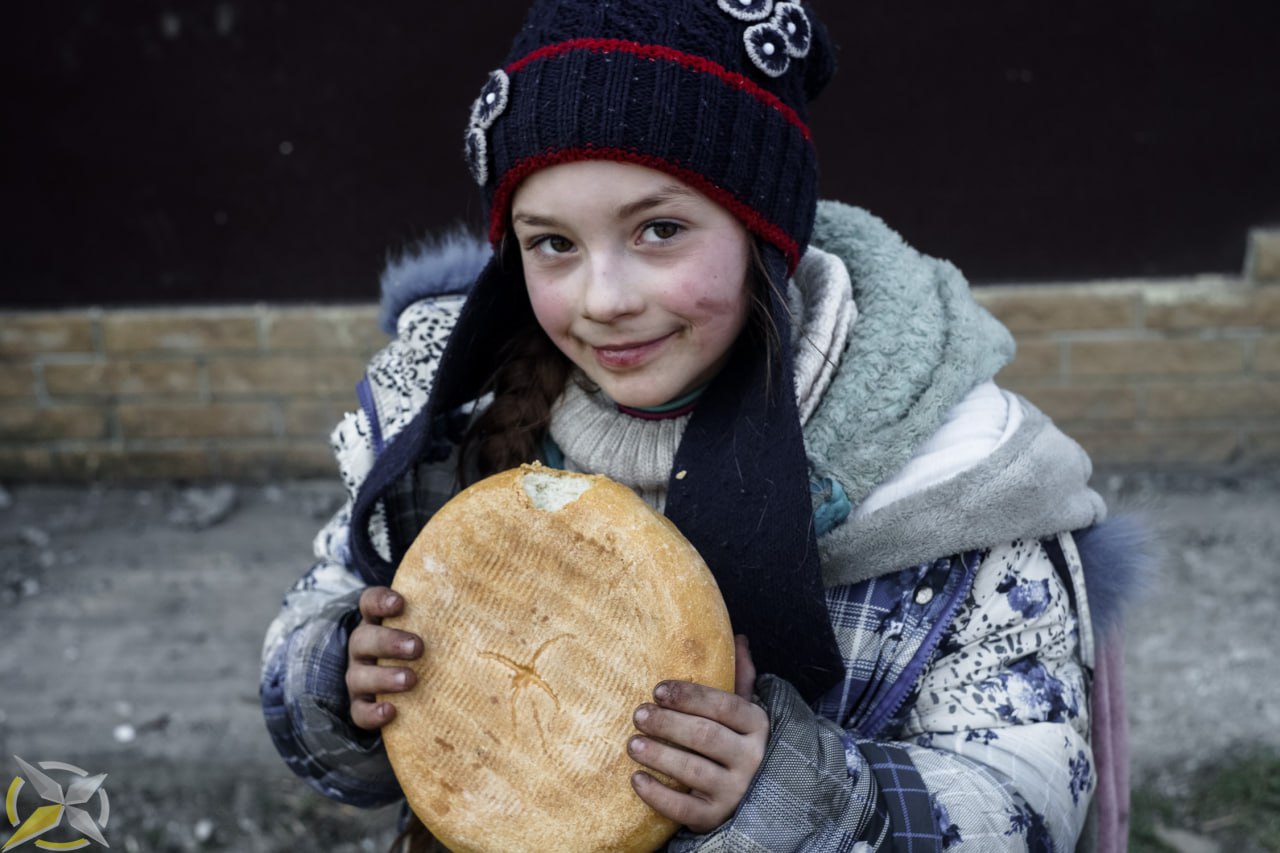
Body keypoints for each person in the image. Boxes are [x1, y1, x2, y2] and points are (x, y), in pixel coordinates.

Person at [260, 1, 1144, 850]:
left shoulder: (948, 479)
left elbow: (1026, 805)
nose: (604, 300)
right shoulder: (448, 432)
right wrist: (342, 676)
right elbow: (312, 657)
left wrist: (793, 797)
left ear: (764, 232)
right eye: (552, 244)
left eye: (660, 229)